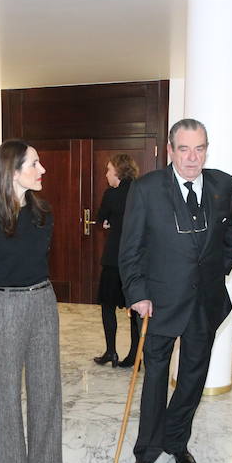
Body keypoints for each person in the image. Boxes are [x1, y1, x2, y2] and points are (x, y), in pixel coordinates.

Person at [119, 118, 232, 463]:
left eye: (200, 148)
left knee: (193, 377)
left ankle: (177, 440)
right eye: (185, 149)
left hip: (204, 302)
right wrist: (138, 294)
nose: (193, 157)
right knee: (156, 377)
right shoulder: (146, 189)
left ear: (207, 149)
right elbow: (131, 250)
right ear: (171, 150)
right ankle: (147, 451)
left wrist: (217, 268)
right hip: (159, 302)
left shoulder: (223, 184)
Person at [0, 139, 62, 463]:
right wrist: (0, 303)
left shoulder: (43, 212)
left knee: (46, 386)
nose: (42, 170)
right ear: (12, 170)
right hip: (5, 304)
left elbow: (40, 258)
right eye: (34, 164)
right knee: (6, 392)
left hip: (43, 301)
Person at [92, 153, 141, 368]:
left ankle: (111, 351)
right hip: (137, 260)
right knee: (136, 308)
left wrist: (108, 222)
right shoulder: (141, 191)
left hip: (114, 260)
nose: (106, 174)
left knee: (107, 306)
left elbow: (101, 218)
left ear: (118, 172)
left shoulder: (111, 194)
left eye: (109, 170)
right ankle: (135, 356)